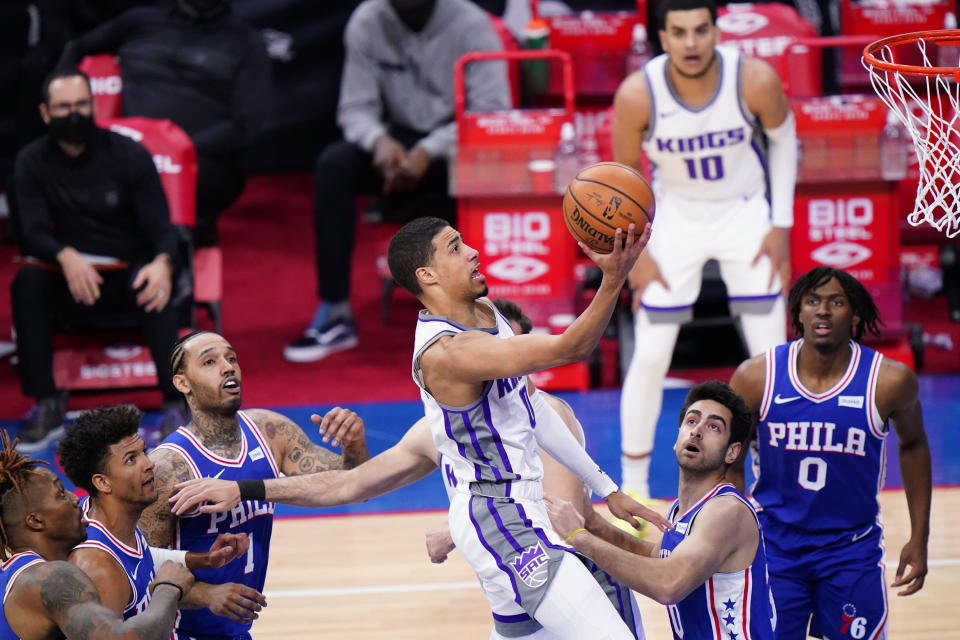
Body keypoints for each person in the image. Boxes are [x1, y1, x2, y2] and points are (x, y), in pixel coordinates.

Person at [171, 217, 666, 638]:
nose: (473, 251)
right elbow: (571, 349)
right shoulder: (448, 354)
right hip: (504, 523)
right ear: (427, 275)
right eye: (456, 247)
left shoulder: (489, 314)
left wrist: (609, 489)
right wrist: (613, 277)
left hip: (508, 517)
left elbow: (532, 413)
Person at [615, 0, 798, 500]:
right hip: (675, 216)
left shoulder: (753, 79)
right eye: (679, 32)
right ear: (662, 36)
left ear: (717, 30)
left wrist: (780, 223)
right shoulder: (637, 95)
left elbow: (785, 141)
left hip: (745, 212)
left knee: (769, 355)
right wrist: (638, 250)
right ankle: (632, 486)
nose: (691, 43)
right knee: (651, 353)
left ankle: (772, 476)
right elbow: (625, 179)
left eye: (700, 30)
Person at [283, 0, 511, 362]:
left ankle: (481, 311)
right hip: (394, 144)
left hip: (457, 145)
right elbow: (355, 107)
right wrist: (380, 144)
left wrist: (429, 150)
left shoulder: (471, 23)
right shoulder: (367, 21)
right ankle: (335, 309)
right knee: (334, 165)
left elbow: (492, 109)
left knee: (490, 165)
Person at [729, 266, 932, 639]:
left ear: (855, 314)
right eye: (812, 301)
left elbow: (914, 444)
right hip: (774, 545)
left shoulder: (888, 381)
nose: (822, 311)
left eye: (836, 302)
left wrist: (920, 536)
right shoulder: (757, 377)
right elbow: (731, 459)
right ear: (799, 313)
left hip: (850, 549)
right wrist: (728, 534)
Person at [137, 329, 369, 640]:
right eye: (210, 361)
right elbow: (139, 573)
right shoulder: (168, 468)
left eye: (231, 358)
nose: (227, 366)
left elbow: (354, 487)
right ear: (182, 383)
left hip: (237, 631)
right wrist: (207, 595)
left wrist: (354, 445)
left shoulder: (271, 431)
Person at [11, 68, 182, 449]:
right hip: (71, 280)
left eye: (81, 105)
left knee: (153, 278)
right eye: (63, 107)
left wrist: (163, 263)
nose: (74, 114)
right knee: (27, 282)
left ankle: (175, 401)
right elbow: (32, 232)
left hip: (127, 276)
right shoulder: (30, 162)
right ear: (44, 113)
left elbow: (162, 228)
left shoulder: (129, 154)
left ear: (94, 106)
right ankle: (46, 402)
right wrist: (65, 255)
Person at [546, 381, 776, 640]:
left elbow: (668, 584)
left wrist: (579, 537)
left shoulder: (726, 512)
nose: (697, 431)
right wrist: (594, 523)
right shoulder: (684, 508)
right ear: (677, 438)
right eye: (691, 421)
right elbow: (662, 557)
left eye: (714, 427)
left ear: (732, 452)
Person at [57, 0, 272, 247]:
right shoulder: (139, 21)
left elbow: (247, 124)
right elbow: (77, 48)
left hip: (197, 159)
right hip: (129, 147)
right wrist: (65, 102)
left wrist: (181, 148)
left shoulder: (246, 43)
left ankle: (178, 232)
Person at [56, 404, 267, 625]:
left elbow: (139, 556)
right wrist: (169, 591)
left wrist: (205, 560)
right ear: (102, 482)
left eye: (143, 453)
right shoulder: (97, 568)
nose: (149, 464)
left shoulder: (108, 518)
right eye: (131, 459)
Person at [0, 429, 195, 640]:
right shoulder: (53, 578)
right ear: (36, 521)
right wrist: (167, 589)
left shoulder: (15, 573)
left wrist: (200, 560)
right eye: (61, 494)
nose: (76, 499)